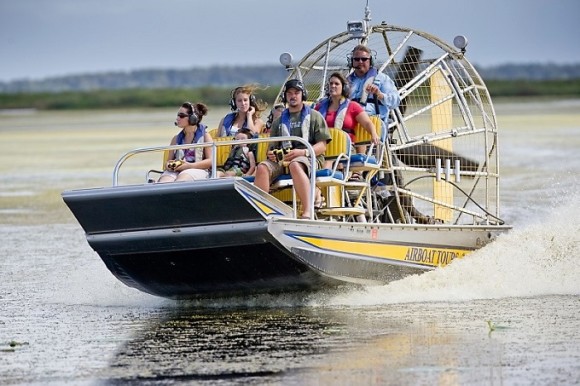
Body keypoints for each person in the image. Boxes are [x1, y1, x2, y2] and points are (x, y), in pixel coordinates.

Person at [254, 79, 331, 219]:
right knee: (262, 167)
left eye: (296, 92)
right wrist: (271, 155)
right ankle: (261, 212)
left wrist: (303, 152)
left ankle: (307, 211)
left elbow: (322, 146)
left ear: (303, 95)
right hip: (283, 159)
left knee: (296, 164)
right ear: (285, 96)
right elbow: (271, 148)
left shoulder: (315, 116)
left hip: (309, 157)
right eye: (289, 93)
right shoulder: (278, 121)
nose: (293, 96)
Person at [315, 71, 379, 157]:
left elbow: (367, 123)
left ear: (344, 88)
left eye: (336, 84)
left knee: (332, 161)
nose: (333, 86)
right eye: (331, 83)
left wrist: (374, 134)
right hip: (323, 147)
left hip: (344, 148)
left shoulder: (353, 106)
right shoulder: (320, 107)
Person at [157, 102, 213, 183]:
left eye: (181, 116)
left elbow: (210, 161)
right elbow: (168, 162)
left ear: (192, 118)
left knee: (182, 178)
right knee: (164, 181)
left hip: (197, 170)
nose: (177, 118)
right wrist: (170, 166)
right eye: (177, 115)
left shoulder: (206, 136)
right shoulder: (175, 139)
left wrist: (189, 166)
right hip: (177, 170)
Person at [347, 44, 400, 127]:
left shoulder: (382, 79)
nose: (360, 62)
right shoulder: (345, 82)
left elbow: (396, 101)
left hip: (375, 122)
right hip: (351, 122)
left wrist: (380, 95)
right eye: (356, 59)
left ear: (371, 61)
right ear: (352, 61)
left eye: (364, 59)